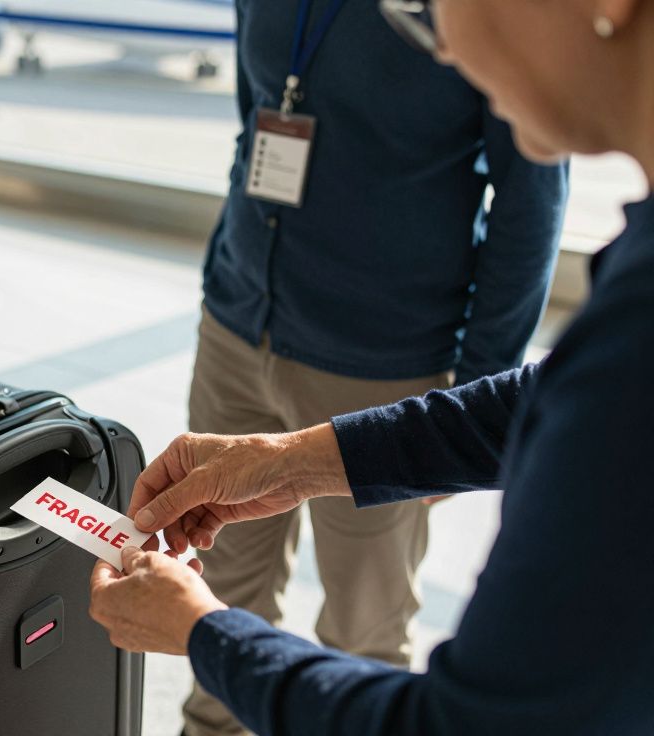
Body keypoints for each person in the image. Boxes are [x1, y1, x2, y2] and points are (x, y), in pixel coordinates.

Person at [89, 0, 654, 732]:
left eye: (431, 7)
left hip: (390, 343)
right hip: (249, 312)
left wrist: (204, 634)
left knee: (365, 622)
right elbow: (547, 395)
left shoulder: (629, 345)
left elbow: (459, 723)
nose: (440, 45)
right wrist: (293, 460)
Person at [183, 0, 568, 731]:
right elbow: (261, 109)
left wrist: (477, 392)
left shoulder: (467, 14)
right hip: (238, 322)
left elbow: (531, 206)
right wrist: (230, 270)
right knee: (220, 588)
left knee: (363, 625)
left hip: (383, 365)